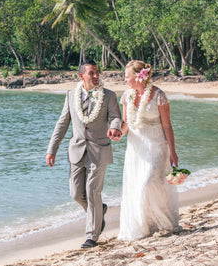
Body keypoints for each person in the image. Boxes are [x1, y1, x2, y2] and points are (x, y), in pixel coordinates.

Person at [46, 60, 122, 248]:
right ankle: (98, 212)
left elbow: (115, 117)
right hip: (76, 151)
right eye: (91, 73)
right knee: (75, 194)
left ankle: (91, 236)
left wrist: (114, 128)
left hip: (99, 150)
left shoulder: (109, 96)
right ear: (81, 76)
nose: (96, 76)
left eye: (97, 73)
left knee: (92, 191)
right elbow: (62, 124)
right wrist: (51, 150)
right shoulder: (71, 95)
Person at [117, 60, 181, 241]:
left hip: (156, 145)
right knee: (137, 186)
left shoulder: (159, 95)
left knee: (148, 183)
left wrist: (173, 152)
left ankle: (164, 222)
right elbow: (126, 124)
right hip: (136, 148)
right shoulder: (126, 96)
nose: (125, 80)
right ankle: (145, 226)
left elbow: (167, 126)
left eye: (127, 76)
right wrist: (117, 134)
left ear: (139, 76)